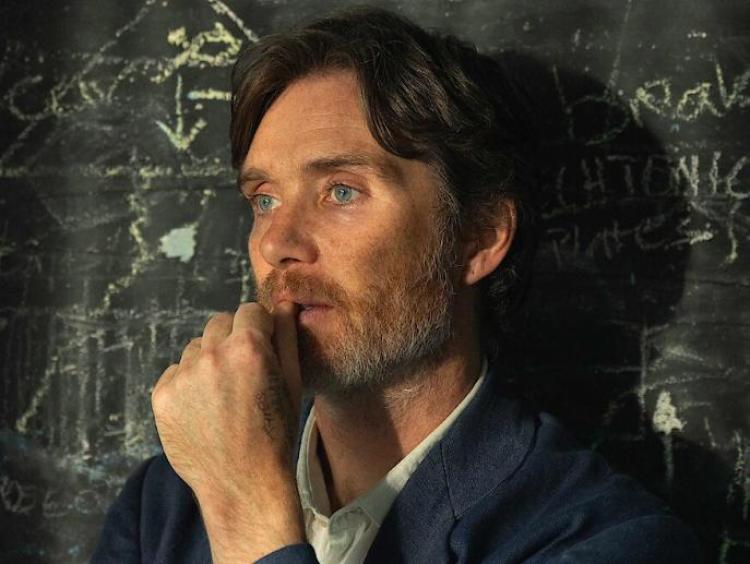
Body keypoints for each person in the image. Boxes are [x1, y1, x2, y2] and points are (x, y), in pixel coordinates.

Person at [92, 7, 700, 563]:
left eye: (341, 191)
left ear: (479, 238)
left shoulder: (607, 541)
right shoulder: (164, 507)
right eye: (265, 198)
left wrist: (248, 516)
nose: (277, 242)